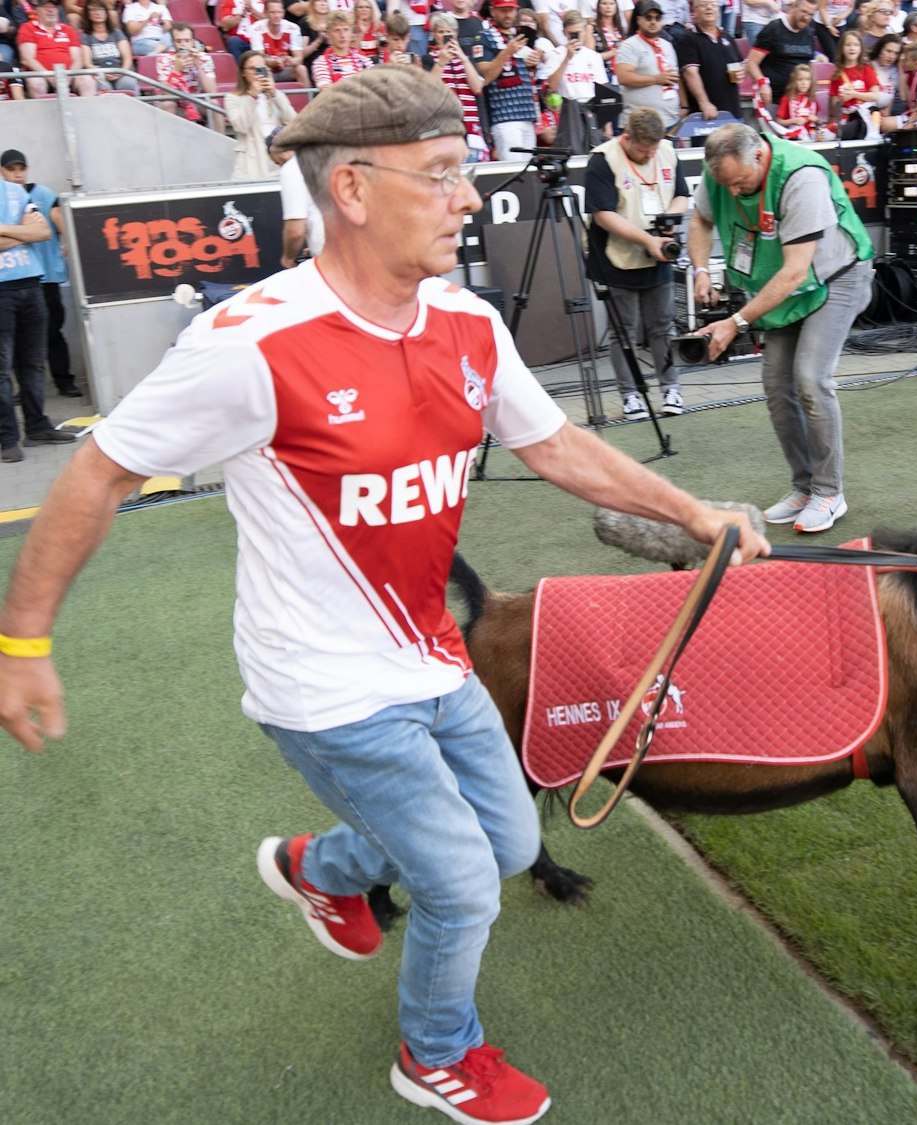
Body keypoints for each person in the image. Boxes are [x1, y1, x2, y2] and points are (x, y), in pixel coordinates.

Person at [0, 68, 766, 1125]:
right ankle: (436, 1056)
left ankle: (324, 867)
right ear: (352, 191)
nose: (466, 197)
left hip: (431, 659)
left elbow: (556, 447)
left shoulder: (464, 324)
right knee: (459, 883)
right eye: (442, 174)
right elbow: (100, 468)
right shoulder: (253, 343)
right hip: (322, 687)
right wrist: (22, 644)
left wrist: (692, 514)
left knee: (507, 845)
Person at [684, 123, 876, 534]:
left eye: (741, 182)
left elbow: (794, 271)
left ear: (759, 156)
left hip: (835, 277)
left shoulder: (801, 175)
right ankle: (803, 487)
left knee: (810, 377)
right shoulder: (720, 171)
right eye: (726, 184)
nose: (734, 192)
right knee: (776, 386)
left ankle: (829, 493)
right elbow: (700, 221)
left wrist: (735, 323)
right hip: (784, 289)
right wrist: (700, 271)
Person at [584, 107, 688, 421]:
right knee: (623, 331)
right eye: (643, 150)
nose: (649, 155)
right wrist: (646, 240)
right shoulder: (603, 159)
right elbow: (603, 214)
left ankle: (671, 387)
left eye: (654, 148)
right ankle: (630, 395)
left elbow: (682, 194)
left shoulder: (666, 152)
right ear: (627, 138)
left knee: (663, 326)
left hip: (659, 253)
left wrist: (670, 218)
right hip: (618, 257)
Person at [0, 173, 74, 461]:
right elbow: (31, 232)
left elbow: (43, 232)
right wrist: (21, 231)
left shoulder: (15, 192)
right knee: (1, 371)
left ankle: (37, 427)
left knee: (33, 363)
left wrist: (5, 230)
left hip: (31, 284)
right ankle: (7, 439)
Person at [0, 150, 78, 401]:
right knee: (14, 347)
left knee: (52, 332)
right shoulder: (8, 197)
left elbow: (49, 230)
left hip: (47, 275)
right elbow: (35, 232)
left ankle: (64, 382)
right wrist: (26, 231)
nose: (18, 174)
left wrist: (12, 233)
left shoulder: (41, 194)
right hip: (11, 282)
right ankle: (24, 393)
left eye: (21, 168)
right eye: (12, 169)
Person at [478, 0, 546, 158]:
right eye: (502, 10)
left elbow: (530, 73)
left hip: (527, 113)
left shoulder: (523, 34)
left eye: (511, 10)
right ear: (493, 11)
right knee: (513, 170)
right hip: (504, 116)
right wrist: (507, 52)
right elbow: (486, 77)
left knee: (529, 172)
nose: (507, 14)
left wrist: (533, 62)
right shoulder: (484, 37)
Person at [224, 51, 300, 179]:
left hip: (277, 157)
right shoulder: (233, 98)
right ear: (243, 73)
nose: (257, 72)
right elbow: (240, 126)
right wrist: (252, 96)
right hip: (251, 159)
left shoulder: (277, 95)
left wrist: (274, 94)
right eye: (253, 69)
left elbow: (293, 122)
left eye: (261, 68)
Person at [424, 12, 489, 159]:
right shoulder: (428, 59)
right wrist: (441, 62)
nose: (445, 35)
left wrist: (463, 58)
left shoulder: (466, 58)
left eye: (449, 32)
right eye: (441, 32)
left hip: (470, 130)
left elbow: (477, 87)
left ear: (456, 33)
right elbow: (428, 89)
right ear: (435, 35)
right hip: (444, 127)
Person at [746, 0, 825, 110]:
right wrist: (762, 83)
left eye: (811, 15)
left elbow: (808, 65)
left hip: (798, 102)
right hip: (773, 99)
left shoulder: (809, 33)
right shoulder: (773, 29)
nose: (806, 18)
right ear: (793, 8)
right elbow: (751, 62)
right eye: (804, 12)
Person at [676, 0, 743, 122]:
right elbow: (690, 73)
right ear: (694, 12)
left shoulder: (726, 36)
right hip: (706, 116)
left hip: (732, 112)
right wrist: (704, 103)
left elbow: (739, 64)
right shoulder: (688, 39)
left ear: (718, 10)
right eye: (703, 5)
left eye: (713, 4)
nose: (709, 8)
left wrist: (741, 72)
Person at [19, 0, 95, 97]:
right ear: (37, 10)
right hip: (41, 74)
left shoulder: (67, 29)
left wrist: (68, 77)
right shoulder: (28, 27)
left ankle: (87, 111)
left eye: (53, 7)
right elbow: (27, 59)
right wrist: (50, 77)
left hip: (69, 75)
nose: (50, 10)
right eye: (46, 7)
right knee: (35, 82)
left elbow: (78, 59)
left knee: (87, 80)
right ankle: (41, 112)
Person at [158, 22, 219, 125]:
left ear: (193, 42)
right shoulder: (164, 59)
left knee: (214, 104)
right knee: (168, 104)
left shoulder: (204, 58)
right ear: (173, 42)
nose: (183, 44)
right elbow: (166, 94)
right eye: (179, 41)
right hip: (175, 101)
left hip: (198, 101)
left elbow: (212, 92)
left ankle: (220, 140)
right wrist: (176, 70)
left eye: (187, 40)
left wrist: (199, 66)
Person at [831, 27, 884, 136]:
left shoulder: (866, 69)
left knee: (845, 131)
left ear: (860, 49)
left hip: (866, 114)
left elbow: (875, 96)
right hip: (847, 116)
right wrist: (841, 99)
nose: (852, 48)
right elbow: (834, 104)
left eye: (855, 45)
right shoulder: (837, 74)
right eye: (848, 45)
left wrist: (854, 94)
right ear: (842, 48)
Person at [77, 0, 139, 92]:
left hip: (119, 71)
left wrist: (121, 72)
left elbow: (127, 58)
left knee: (128, 83)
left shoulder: (116, 33)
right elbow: (87, 63)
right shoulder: (86, 36)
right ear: (88, 15)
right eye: (93, 10)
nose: (98, 13)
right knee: (104, 87)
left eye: (101, 10)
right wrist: (102, 73)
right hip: (99, 73)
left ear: (106, 13)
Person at [245, 0, 307, 81]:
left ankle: (307, 93)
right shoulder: (256, 28)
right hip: (267, 68)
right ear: (266, 13)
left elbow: (299, 58)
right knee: (260, 67)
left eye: (279, 12)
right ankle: (263, 93)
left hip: (285, 68)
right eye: (273, 12)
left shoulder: (293, 28)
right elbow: (259, 57)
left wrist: (290, 61)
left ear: (283, 13)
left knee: (301, 68)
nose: (276, 15)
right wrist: (272, 62)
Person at [311, 10, 375, 84]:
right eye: (337, 30)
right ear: (328, 34)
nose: (342, 35)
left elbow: (375, 83)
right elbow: (326, 88)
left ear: (351, 32)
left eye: (346, 30)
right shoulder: (321, 62)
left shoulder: (364, 59)